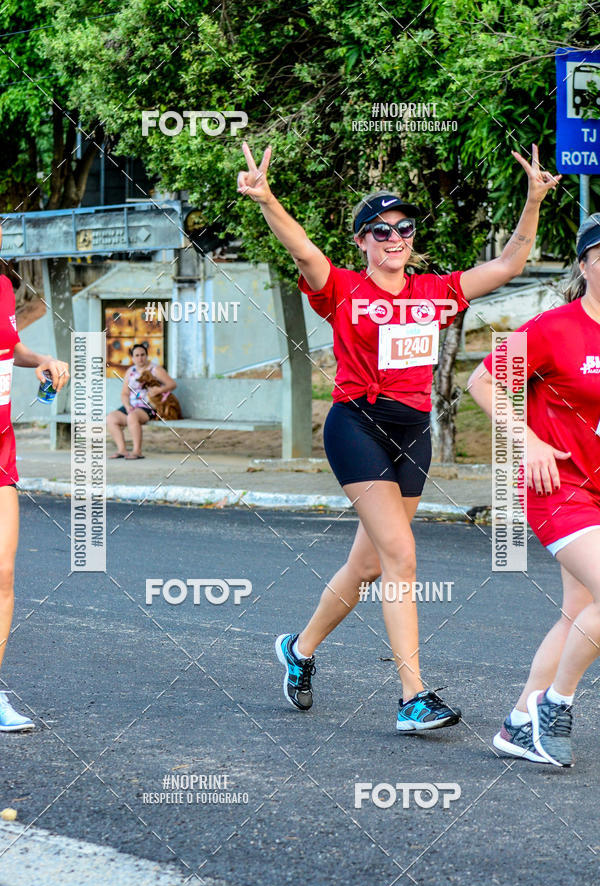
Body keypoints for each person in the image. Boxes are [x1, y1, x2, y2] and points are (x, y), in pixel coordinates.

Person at [237, 141, 560, 732]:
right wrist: (265, 198)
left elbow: (510, 264)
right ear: (361, 242)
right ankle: (413, 697)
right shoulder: (340, 289)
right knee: (402, 559)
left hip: (413, 432)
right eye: (379, 231)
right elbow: (301, 248)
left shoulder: (436, 290)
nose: (394, 239)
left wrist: (533, 199)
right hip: (356, 424)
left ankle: (299, 650)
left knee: (366, 565)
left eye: (403, 229)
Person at [468, 213, 600, 767]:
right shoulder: (554, 328)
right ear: (584, 264)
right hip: (557, 485)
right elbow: (483, 381)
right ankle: (554, 707)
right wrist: (527, 442)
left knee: (579, 612)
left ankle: (519, 722)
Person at [0, 248, 70, 731]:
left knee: (2, 573)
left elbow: (9, 347)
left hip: (1, 445)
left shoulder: (2, 286)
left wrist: (41, 358)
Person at [107, 342, 176, 459]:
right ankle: (122, 450)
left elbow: (172, 384)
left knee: (132, 417)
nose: (140, 358)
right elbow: (124, 393)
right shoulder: (130, 371)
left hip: (148, 406)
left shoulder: (155, 369)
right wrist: (127, 405)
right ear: (132, 358)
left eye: (142, 355)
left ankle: (137, 451)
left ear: (147, 355)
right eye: (137, 355)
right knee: (111, 418)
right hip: (132, 405)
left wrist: (159, 390)